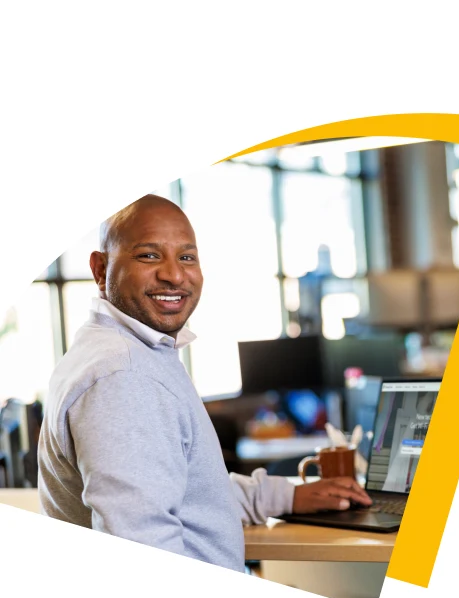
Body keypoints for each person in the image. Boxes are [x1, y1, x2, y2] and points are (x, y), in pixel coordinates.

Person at [38, 195, 371, 573]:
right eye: (149, 255)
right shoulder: (124, 376)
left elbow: (179, 493)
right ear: (101, 269)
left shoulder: (130, 351)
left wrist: (286, 495)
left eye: (186, 257)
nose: (175, 275)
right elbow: (145, 557)